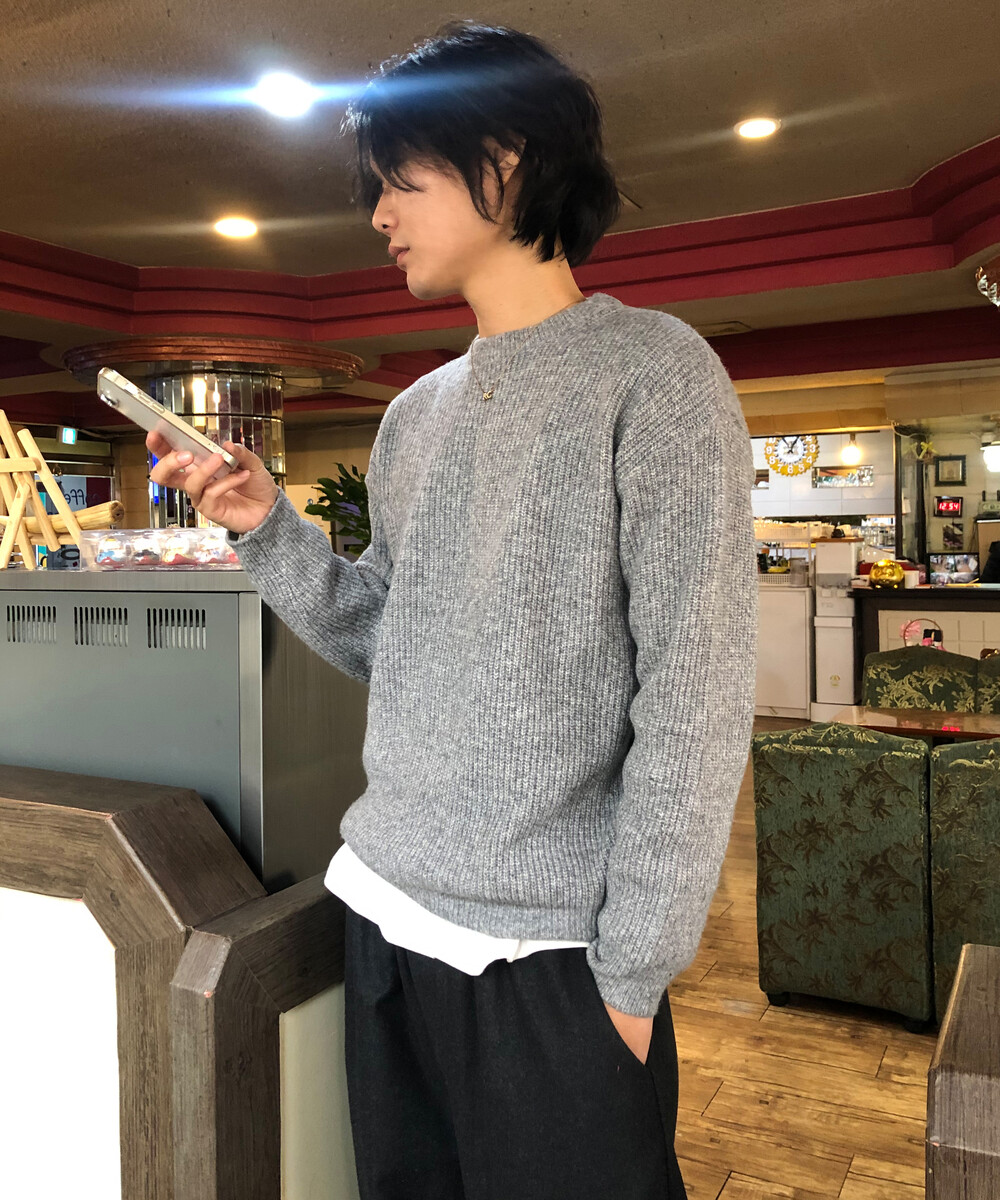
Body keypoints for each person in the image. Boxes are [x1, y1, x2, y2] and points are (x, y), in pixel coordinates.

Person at [148, 20, 758, 1199]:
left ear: (506, 157)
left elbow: (695, 700)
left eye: (399, 179)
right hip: (382, 918)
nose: (378, 214)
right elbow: (386, 636)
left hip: (552, 962)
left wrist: (633, 976)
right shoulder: (413, 415)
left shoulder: (655, 372)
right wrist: (266, 525)